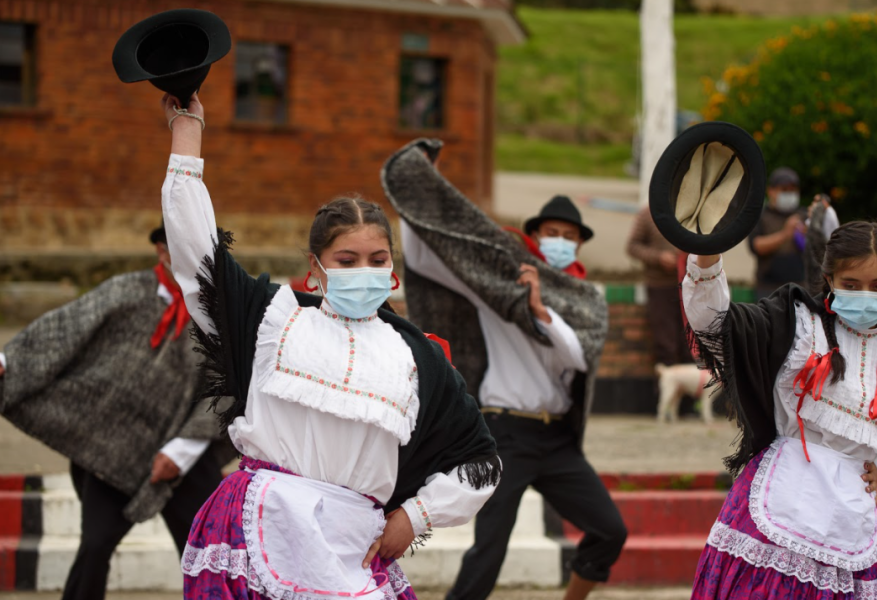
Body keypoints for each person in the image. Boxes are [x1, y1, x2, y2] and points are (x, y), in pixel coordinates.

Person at [159, 94, 500, 600]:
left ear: (392, 270)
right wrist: (187, 132)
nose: (363, 271)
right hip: (260, 527)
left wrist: (414, 515)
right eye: (346, 260)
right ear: (316, 269)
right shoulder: (272, 318)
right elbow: (196, 253)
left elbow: (480, 461)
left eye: (376, 258)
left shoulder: (417, 357)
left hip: (356, 542)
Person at [382, 141, 626, 600]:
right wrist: (419, 197)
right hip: (504, 434)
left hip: (557, 440)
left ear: (579, 243)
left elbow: (582, 356)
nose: (560, 241)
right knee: (489, 549)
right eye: (551, 231)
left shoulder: (587, 297)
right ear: (535, 235)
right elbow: (433, 258)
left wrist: (540, 313)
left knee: (610, 529)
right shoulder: (502, 285)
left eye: (569, 235)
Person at [685, 200, 877, 599]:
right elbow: (715, 324)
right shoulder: (797, 323)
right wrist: (707, 257)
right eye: (851, 284)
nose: (865, 295)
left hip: (855, 516)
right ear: (829, 278)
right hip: (782, 499)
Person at [0, 224, 232, 600]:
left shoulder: (224, 315)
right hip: (115, 447)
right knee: (95, 544)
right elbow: (65, 329)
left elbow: (229, 388)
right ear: (162, 251)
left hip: (190, 450)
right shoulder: (125, 292)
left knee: (209, 551)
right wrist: (10, 362)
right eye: (180, 247)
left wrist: (181, 450)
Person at [626, 204, 692, 367]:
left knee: (690, 347)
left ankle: (690, 391)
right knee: (665, 346)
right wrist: (658, 258)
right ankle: (666, 391)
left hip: (692, 287)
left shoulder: (694, 211)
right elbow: (633, 247)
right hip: (660, 287)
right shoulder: (647, 214)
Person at [747, 167, 807, 300]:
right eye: (784, 190)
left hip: (800, 286)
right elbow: (756, 245)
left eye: (793, 190)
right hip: (768, 289)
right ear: (771, 191)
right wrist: (785, 234)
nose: (789, 194)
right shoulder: (760, 216)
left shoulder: (803, 214)